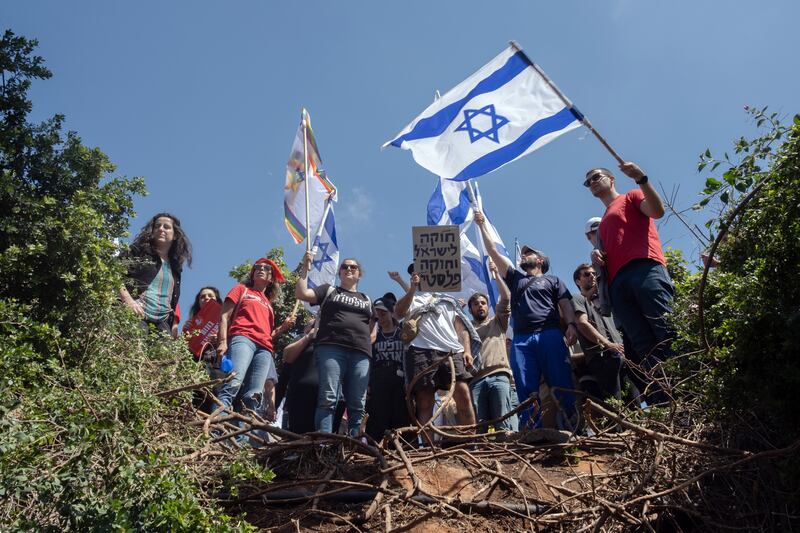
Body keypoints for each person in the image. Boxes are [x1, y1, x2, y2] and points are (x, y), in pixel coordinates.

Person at [475, 211, 578, 430]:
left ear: (540, 260)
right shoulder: (516, 279)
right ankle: (531, 430)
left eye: (528, 253)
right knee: (525, 387)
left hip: (550, 334)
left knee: (561, 383)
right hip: (521, 340)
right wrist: (482, 225)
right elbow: (492, 251)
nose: (523, 255)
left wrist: (570, 325)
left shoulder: (553, 280)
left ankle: (571, 427)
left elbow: (565, 305)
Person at [584, 162, 675, 375]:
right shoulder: (604, 220)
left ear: (611, 179)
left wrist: (642, 179)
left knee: (665, 326)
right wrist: (596, 254)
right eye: (587, 182)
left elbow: (657, 211)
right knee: (643, 344)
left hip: (644, 268)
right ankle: (666, 395)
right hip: (617, 284)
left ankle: (691, 380)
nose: (592, 183)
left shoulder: (631, 196)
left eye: (596, 177)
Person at [394, 264, 478, 434]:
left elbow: (461, 328)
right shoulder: (411, 298)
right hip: (420, 351)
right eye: (414, 272)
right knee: (424, 400)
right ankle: (429, 447)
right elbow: (399, 312)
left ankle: (470, 441)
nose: (420, 275)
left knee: (463, 394)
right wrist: (412, 289)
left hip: (451, 351)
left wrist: (467, 350)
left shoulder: (448, 299)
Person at [295, 254, 373, 437]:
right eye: (345, 267)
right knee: (329, 398)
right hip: (331, 347)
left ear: (359, 274)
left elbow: (372, 328)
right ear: (339, 273)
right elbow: (302, 294)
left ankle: (354, 446)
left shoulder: (367, 299)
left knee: (357, 404)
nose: (349, 269)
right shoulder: (328, 290)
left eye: (353, 267)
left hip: (360, 352)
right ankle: (324, 443)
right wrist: (305, 269)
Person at [216, 259, 294, 421]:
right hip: (242, 339)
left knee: (253, 397)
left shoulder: (269, 305)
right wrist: (222, 342)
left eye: (266, 268)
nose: (260, 269)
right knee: (232, 384)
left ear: (271, 278)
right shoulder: (241, 290)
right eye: (257, 267)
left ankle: (241, 442)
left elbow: (266, 334)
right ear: (252, 274)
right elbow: (224, 316)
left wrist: (282, 328)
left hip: (264, 349)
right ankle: (215, 429)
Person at [119, 213, 192, 338]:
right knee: (134, 351)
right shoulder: (138, 251)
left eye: (166, 227)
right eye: (157, 226)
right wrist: (128, 301)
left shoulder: (175, 266)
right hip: (137, 314)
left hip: (162, 322)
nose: (161, 229)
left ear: (175, 235)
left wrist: (173, 323)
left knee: (165, 357)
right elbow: (114, 273)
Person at [467, 260, 517, 433]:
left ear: (488, 307)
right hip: (475, 381)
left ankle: (510, 456)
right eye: (475, 304)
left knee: (504, 424)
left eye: (482, 303)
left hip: (499, 376)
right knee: (478, 428)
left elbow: (506, 298)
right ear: (470, 310)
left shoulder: (498, 322)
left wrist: (496, 275)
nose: (480, 306)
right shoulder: (465, 330)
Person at [571, 264, 626, 403]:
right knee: (614, 405)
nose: (592, 276)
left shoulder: (604, 302)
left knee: (633, 403)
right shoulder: (577, 299)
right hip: (602, 357)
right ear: (578, 281)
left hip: (622, 355)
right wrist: (607, 344)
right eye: (586, 274)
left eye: (594, 274)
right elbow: (582, 323)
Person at [281, 324, 346, 434]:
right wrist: (308, 337)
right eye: (313, 325)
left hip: (330, 401)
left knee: (325, 442)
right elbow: (287, 357)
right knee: (297, 441)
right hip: (300, 401)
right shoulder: (302, 338)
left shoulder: (337, 342)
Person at [365, 294, 410, 442]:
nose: (381, 317)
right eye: (377, 315)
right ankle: (375, 450)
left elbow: (409, 358)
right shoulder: (374, 336)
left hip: (399, 378)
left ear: (391, 312)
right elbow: (368, 360)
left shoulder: (402, 333)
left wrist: (408, 383)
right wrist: (368, 384)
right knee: (377, 416)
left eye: (383, 313)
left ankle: (403, 449)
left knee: (401, 416)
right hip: (378, 378)